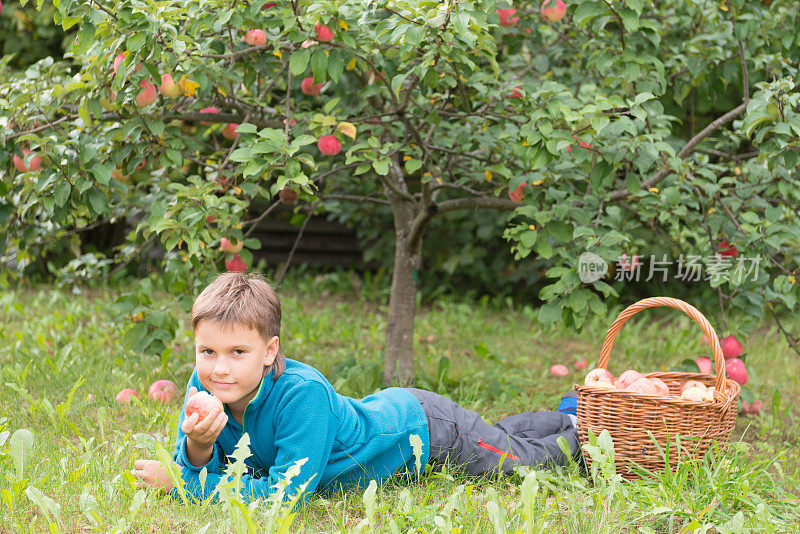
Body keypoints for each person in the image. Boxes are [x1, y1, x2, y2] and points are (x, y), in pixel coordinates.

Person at [133, 272, 581, 504]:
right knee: (499, 437)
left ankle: (587, 429)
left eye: (237, 353)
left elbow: (283, 496)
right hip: (396, 420)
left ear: (270, 351)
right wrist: (197, 448)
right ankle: (567, 410)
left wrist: (182, 485)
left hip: (426, 432)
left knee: (526, 464)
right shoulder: (204, 385)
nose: (219, 369)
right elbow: (189, 464)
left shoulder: (300, 395)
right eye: (207, 352)